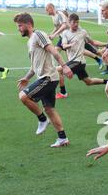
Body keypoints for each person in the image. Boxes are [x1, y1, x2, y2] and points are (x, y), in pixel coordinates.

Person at [13, 12, 73, 147]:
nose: (18, 29)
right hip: (45, 77)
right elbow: (34, 66)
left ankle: (42, 120)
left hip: (48, 78)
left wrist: (64, 66)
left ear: (28, 25)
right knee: (50, 109)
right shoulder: (30, 41)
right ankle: (62, 138)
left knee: (23, 96)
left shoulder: (38, 35)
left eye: (20, 26)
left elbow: (54, 51)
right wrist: (26, 78)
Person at [56, 13, 108, 99]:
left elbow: (93, 42)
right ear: (69, 23)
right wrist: (70, 45)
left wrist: (106, 44)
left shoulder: (83, 32)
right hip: (73, 61)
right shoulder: (65, 33)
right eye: (74, 22)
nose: (76, 24)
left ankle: (63, 92)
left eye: (77, 22)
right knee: (89, 81)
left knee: (57, 70)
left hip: (78, 62)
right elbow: (64, 45)